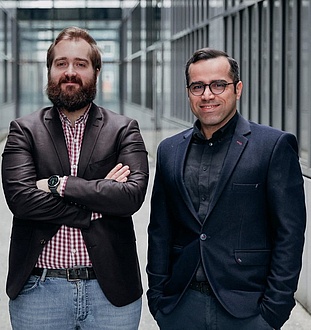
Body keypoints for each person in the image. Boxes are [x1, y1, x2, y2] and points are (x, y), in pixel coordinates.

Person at [146, 48, 306, 330]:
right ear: (188, 92)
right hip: (181, 306)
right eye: (198, 86)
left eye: (218, 84)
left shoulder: (272, 146)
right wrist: (158, 299)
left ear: (238, 88)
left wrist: (273, 311)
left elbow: (289, 234)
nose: (207, 95)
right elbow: (160, 230)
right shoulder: (169, 151)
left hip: (248, 310)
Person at [2, 26, 149, 329]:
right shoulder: (23, 130)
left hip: (110, 294)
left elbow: (131, 197)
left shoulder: (124, 129)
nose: (70, 72)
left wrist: (59, 184)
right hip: (39, 292)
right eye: (61, 63)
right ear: (50, 70)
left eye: (80, 64)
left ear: (96, 70)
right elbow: (22, 201)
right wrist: (98, 200)